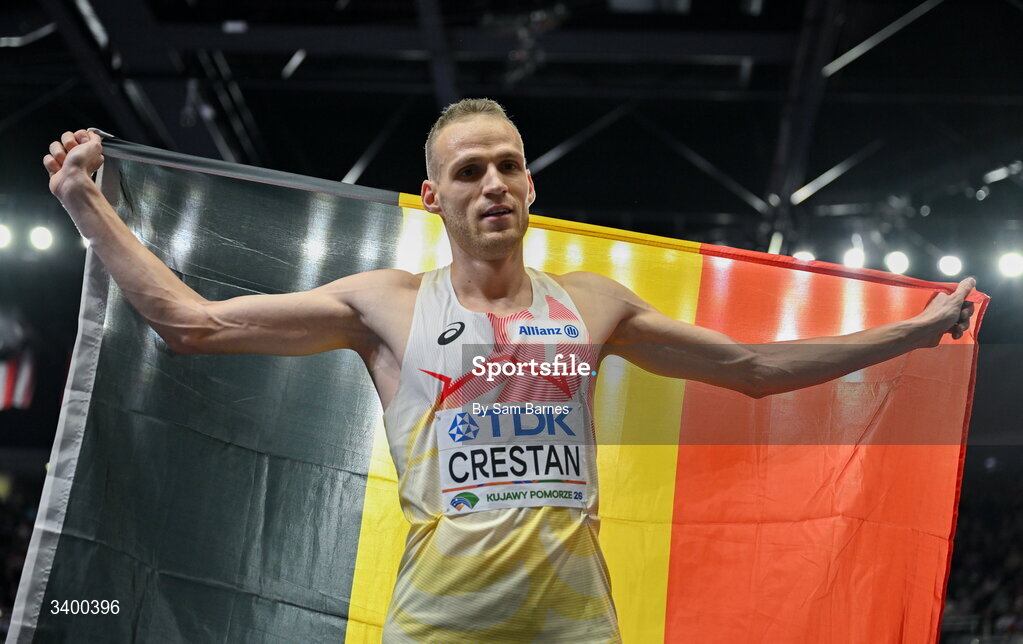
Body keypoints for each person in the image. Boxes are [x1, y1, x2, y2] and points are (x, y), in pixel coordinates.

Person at [43, 98, 975, 642]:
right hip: (436, 628)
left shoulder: (593, 304)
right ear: (432, 196)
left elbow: (756, 367)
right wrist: (85, 203)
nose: (492, 183)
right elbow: (192, 325)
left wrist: (908, 333)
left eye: (507, 166)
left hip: (573, 630)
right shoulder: (387, 305)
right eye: (468, 171)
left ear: (530, 185)